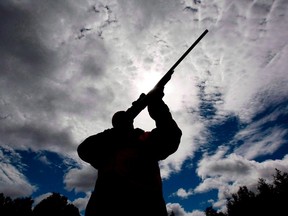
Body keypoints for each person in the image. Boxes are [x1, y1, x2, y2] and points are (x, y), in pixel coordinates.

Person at [77, 87, 182, 216]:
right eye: (121, 119)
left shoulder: (144, 140)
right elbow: (83, 149)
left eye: (125, 118)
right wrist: (117, 130)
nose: (124, 121)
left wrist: (156, 103)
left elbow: (170, 136)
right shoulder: (105, 147)